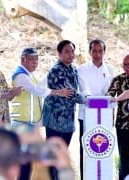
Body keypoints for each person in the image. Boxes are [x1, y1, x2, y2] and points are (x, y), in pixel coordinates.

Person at [10, 47, 73, 180]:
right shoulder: (20, 75)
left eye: (37, 59)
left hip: (30, 124)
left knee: (28, 162)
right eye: (31, 59)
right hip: (22, 123)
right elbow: (36, 90)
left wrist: (54, 69)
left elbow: (41, 85)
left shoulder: (30, 75)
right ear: (23, 59)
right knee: (24, 162)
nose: (35, 62)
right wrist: (57, 92)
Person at [42, 40, 84, 180]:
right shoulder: (56, 71)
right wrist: (89, 100)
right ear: (59, 54)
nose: (71, 54)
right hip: (55, 121)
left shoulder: (73, 69)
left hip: (67, 121)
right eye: (67, 51)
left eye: (72, 51)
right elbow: (70, 92)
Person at [77, 39, 114, 179]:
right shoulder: (81, 69)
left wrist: (112, 115)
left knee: (104, 147)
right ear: (89, 52)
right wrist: (94, 100)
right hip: (87, 116)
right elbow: (84, 90)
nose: (97, 54)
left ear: (104, 52)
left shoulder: (110, 70)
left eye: (100, 51)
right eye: (94, 51)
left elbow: (110, 92)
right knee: (87, 148)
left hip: (105, 117)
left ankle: (104, 176)